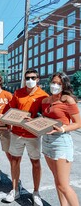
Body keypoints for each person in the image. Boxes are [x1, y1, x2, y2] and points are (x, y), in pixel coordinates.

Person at [5, 69, 48, 205]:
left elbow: (46, 116)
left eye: (33, 77)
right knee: (14, 161)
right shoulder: (18, 93)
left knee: (35, 163)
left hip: (33, 135)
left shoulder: (43, 95)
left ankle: (36, 192)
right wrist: (9, 120)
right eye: (27, 78)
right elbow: (11, 110)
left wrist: (36, 120)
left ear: (38, 79)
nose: (30, 80)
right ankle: (15, 190)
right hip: (17, 133)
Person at [41, 72, 81, 206]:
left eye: (59, 83)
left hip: (61, 141)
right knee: (57, 180)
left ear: (64, 85)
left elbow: (78, 123)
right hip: (46, 141)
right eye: (53, 82)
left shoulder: (67, 100)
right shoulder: (45, 101)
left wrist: (63, 128)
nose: (55, 85)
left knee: (63, 185)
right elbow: (45, 119)